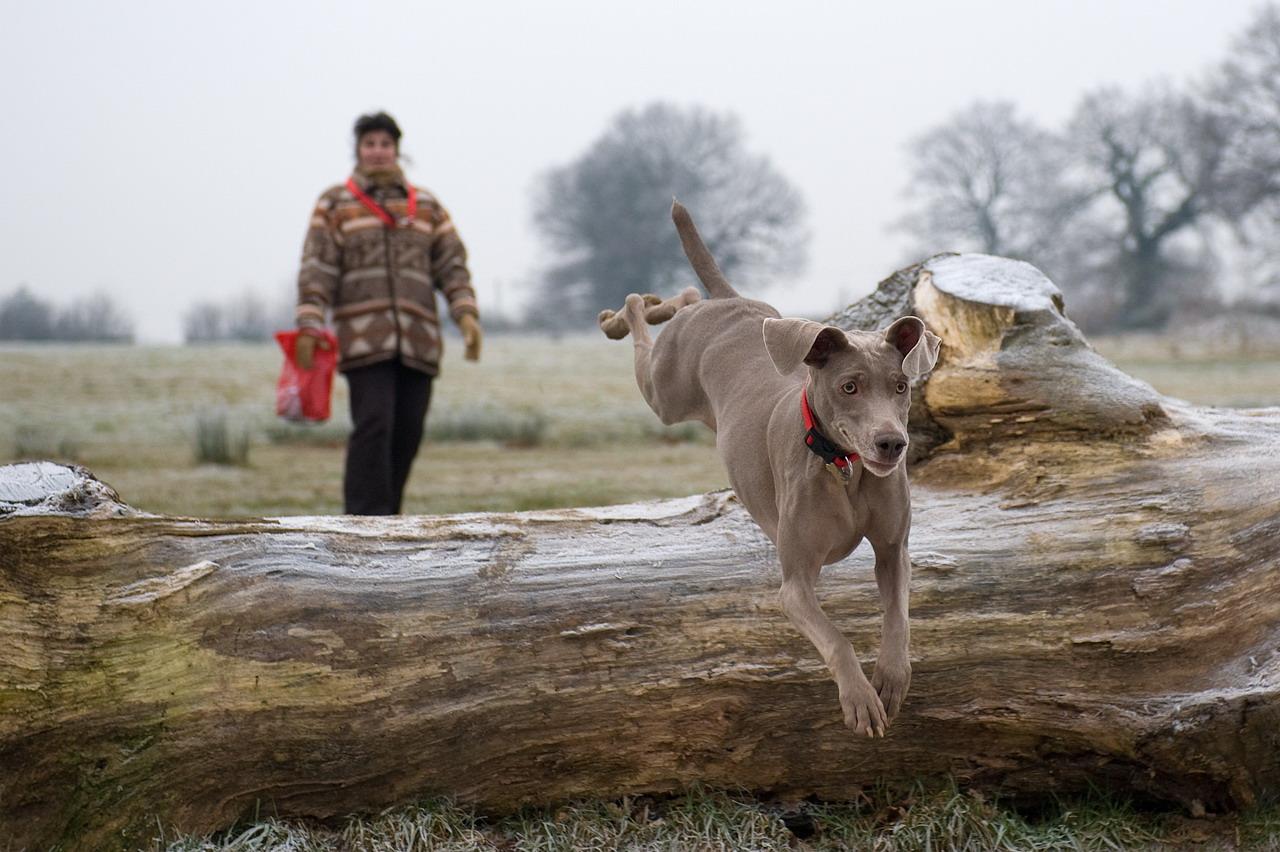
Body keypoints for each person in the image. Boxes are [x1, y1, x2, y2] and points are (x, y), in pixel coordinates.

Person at [294, 111, 481, 515]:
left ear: (397, 149)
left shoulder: (426, 205)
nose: (377, 152)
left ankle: (390, 523)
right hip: (364, 340)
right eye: (369, 144)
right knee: (374, 427)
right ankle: (361, 524)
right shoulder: (335, 204)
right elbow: (317, 268)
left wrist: (465, 314)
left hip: (419, 342)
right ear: (358, 150)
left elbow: (451, 265)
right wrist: (309, 323)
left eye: (385, 144)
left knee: (407, 433)